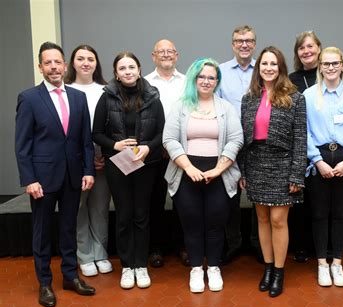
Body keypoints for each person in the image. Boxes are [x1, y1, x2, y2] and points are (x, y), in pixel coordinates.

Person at [15, 42, 96, 307]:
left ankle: (70, 276)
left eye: (57, 62)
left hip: (73, 176)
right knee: (42, 233)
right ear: (40, 67)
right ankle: (45, 283)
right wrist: (29, 179)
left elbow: (85, 140)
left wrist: (88, 171)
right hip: (42, 180)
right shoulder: (29, 98)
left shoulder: (77, 97)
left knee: (69, 228)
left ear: (65, 65)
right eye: (47, 62)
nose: (53, 67)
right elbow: (23, 144)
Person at [163, 58, 243, 293]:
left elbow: (237, 139)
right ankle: (197, 269)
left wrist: (218, 170)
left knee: (216, 224)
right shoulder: (180, 107)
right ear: (194, 79)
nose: (206, 81)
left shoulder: (225, 108)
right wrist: (189, 168)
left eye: (212, 77)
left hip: (219, 172)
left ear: (217, 81)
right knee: (192, 224)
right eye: (202, 77)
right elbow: (169, 140)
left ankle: (214, 268)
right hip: (186, 171)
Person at [92, 52, 165, 290]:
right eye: (122, 68)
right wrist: (115, 145)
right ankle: (127, 266)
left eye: (131, 67)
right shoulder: (107, 97)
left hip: (146, 162)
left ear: (139, 68)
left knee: (141, 214)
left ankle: (140, 265)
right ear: (116, 73)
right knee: (124, 214)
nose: (127, 71)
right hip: (118, 162)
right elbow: (96, 133)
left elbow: (162, 133)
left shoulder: (153, 96)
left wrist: (147, 148)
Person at [239, 46, 307, 297]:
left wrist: (296, 175)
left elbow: (301, 140)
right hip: (256, 164)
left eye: (273, 64)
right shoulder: (249, 98)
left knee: (279, 220)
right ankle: (267, 268)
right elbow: (244, 139)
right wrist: (243, 171)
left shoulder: (296, 98)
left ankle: (279, 270)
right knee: (263, 219)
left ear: (281, 68)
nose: (268, 68)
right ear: (259, 68)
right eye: (264, 64)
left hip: (283, 165)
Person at [304, 47, 343, 288]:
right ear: (319, 66)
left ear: (342, 65)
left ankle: (337, 264)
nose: (330, 68)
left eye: (335, 63)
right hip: (318, 159)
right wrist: (316, 160)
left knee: (341, 213)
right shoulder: (309, 96)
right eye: (325, 64)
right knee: (320, 213)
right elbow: (304, 131)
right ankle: (322, 264)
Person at [64, 44, 113, 277]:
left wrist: (101, 155)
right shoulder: (64, 90)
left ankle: (101, 253)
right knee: (78, 208)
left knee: (100, 207)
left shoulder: (107, 89)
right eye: (80, 58)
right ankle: (84, 255)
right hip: (74, 158)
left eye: (90, 59)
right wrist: (86, 159)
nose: (85, 63)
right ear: (72, 63)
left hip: (103, 155)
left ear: (96, 63)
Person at [144, 39, 188, 268]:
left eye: (170, 51)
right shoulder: (145, 83)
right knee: (155, 203)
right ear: (153, 56)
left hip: (183, 153)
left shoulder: (188, 82)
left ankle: (183, 246)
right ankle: (156, 249)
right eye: (161, 51)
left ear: (177, 55)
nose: (166, 54)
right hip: (156, 153)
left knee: (183, 202)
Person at [217, 25, 258, 264]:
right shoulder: (220, 72)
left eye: (249, 41)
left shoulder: (263, 70)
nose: (244, 44)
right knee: (229, 195)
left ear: (254, 44)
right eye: (239, 41)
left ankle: (255, 242)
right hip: (229, 142)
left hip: (257, 143)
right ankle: (233, 242)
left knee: (258, 194)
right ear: (233, 44)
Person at [288, 30, 322, 263]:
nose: (307, 51)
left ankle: (321, 245)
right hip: (299, 144)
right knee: (299, 199)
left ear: (319, 48)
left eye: (310, 46)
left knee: (322, 200)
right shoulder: (291, 80)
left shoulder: (330, 73)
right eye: (302, 48)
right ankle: (300, 245)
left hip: (324, 146)